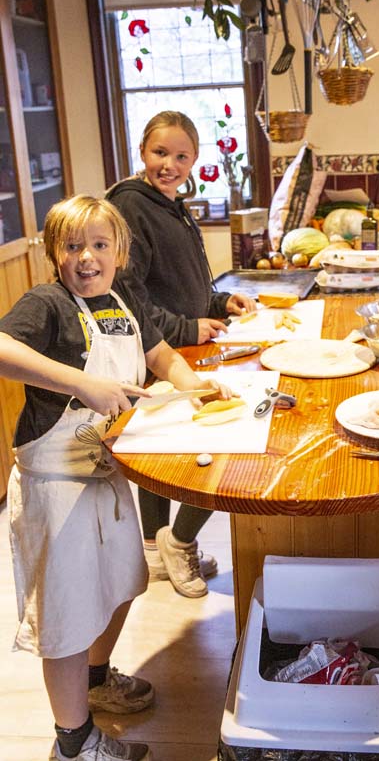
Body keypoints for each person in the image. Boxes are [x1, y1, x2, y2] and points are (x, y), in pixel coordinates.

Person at [0, 195, 231, 761]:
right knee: (67, 617)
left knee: (125, 582)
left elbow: (161, 355)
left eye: (100, 245)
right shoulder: (48, 304)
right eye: (73, 245)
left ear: (120, 253)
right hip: (56, 486)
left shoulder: (122, 299)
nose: (87, 257)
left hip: (107, 476)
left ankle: (96, 680)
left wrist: (193, 386)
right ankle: (75, 741)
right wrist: (80, 383)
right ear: (55, 254)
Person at [107, 110, 255, 599]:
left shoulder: (171, 203)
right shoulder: (130, 205)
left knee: (165, 446)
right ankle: (176, 543)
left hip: (180, 346)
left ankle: (158, 551)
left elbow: (179, 283)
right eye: (160, 153)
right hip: (157, 352)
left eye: (181, 156)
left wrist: (217, 303)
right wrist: (186, 327)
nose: (169, 164)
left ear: (194, 160)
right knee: (191, 448)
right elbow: (129, 295)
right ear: (141, 152)